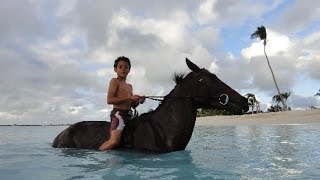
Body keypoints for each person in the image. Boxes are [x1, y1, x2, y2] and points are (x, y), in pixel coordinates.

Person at [99, 56, 145, 151]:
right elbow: (109, 100)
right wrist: (129, 97)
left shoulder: (129, 86)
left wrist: (139, 101)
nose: (123, 69)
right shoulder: (114, 81)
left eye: (126, 67)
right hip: (118, 115)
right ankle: (99, 156)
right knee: (114, 141)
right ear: (115, 69)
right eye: (120, 67)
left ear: (129, 70)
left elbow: (132, 105)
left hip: (129, 115)